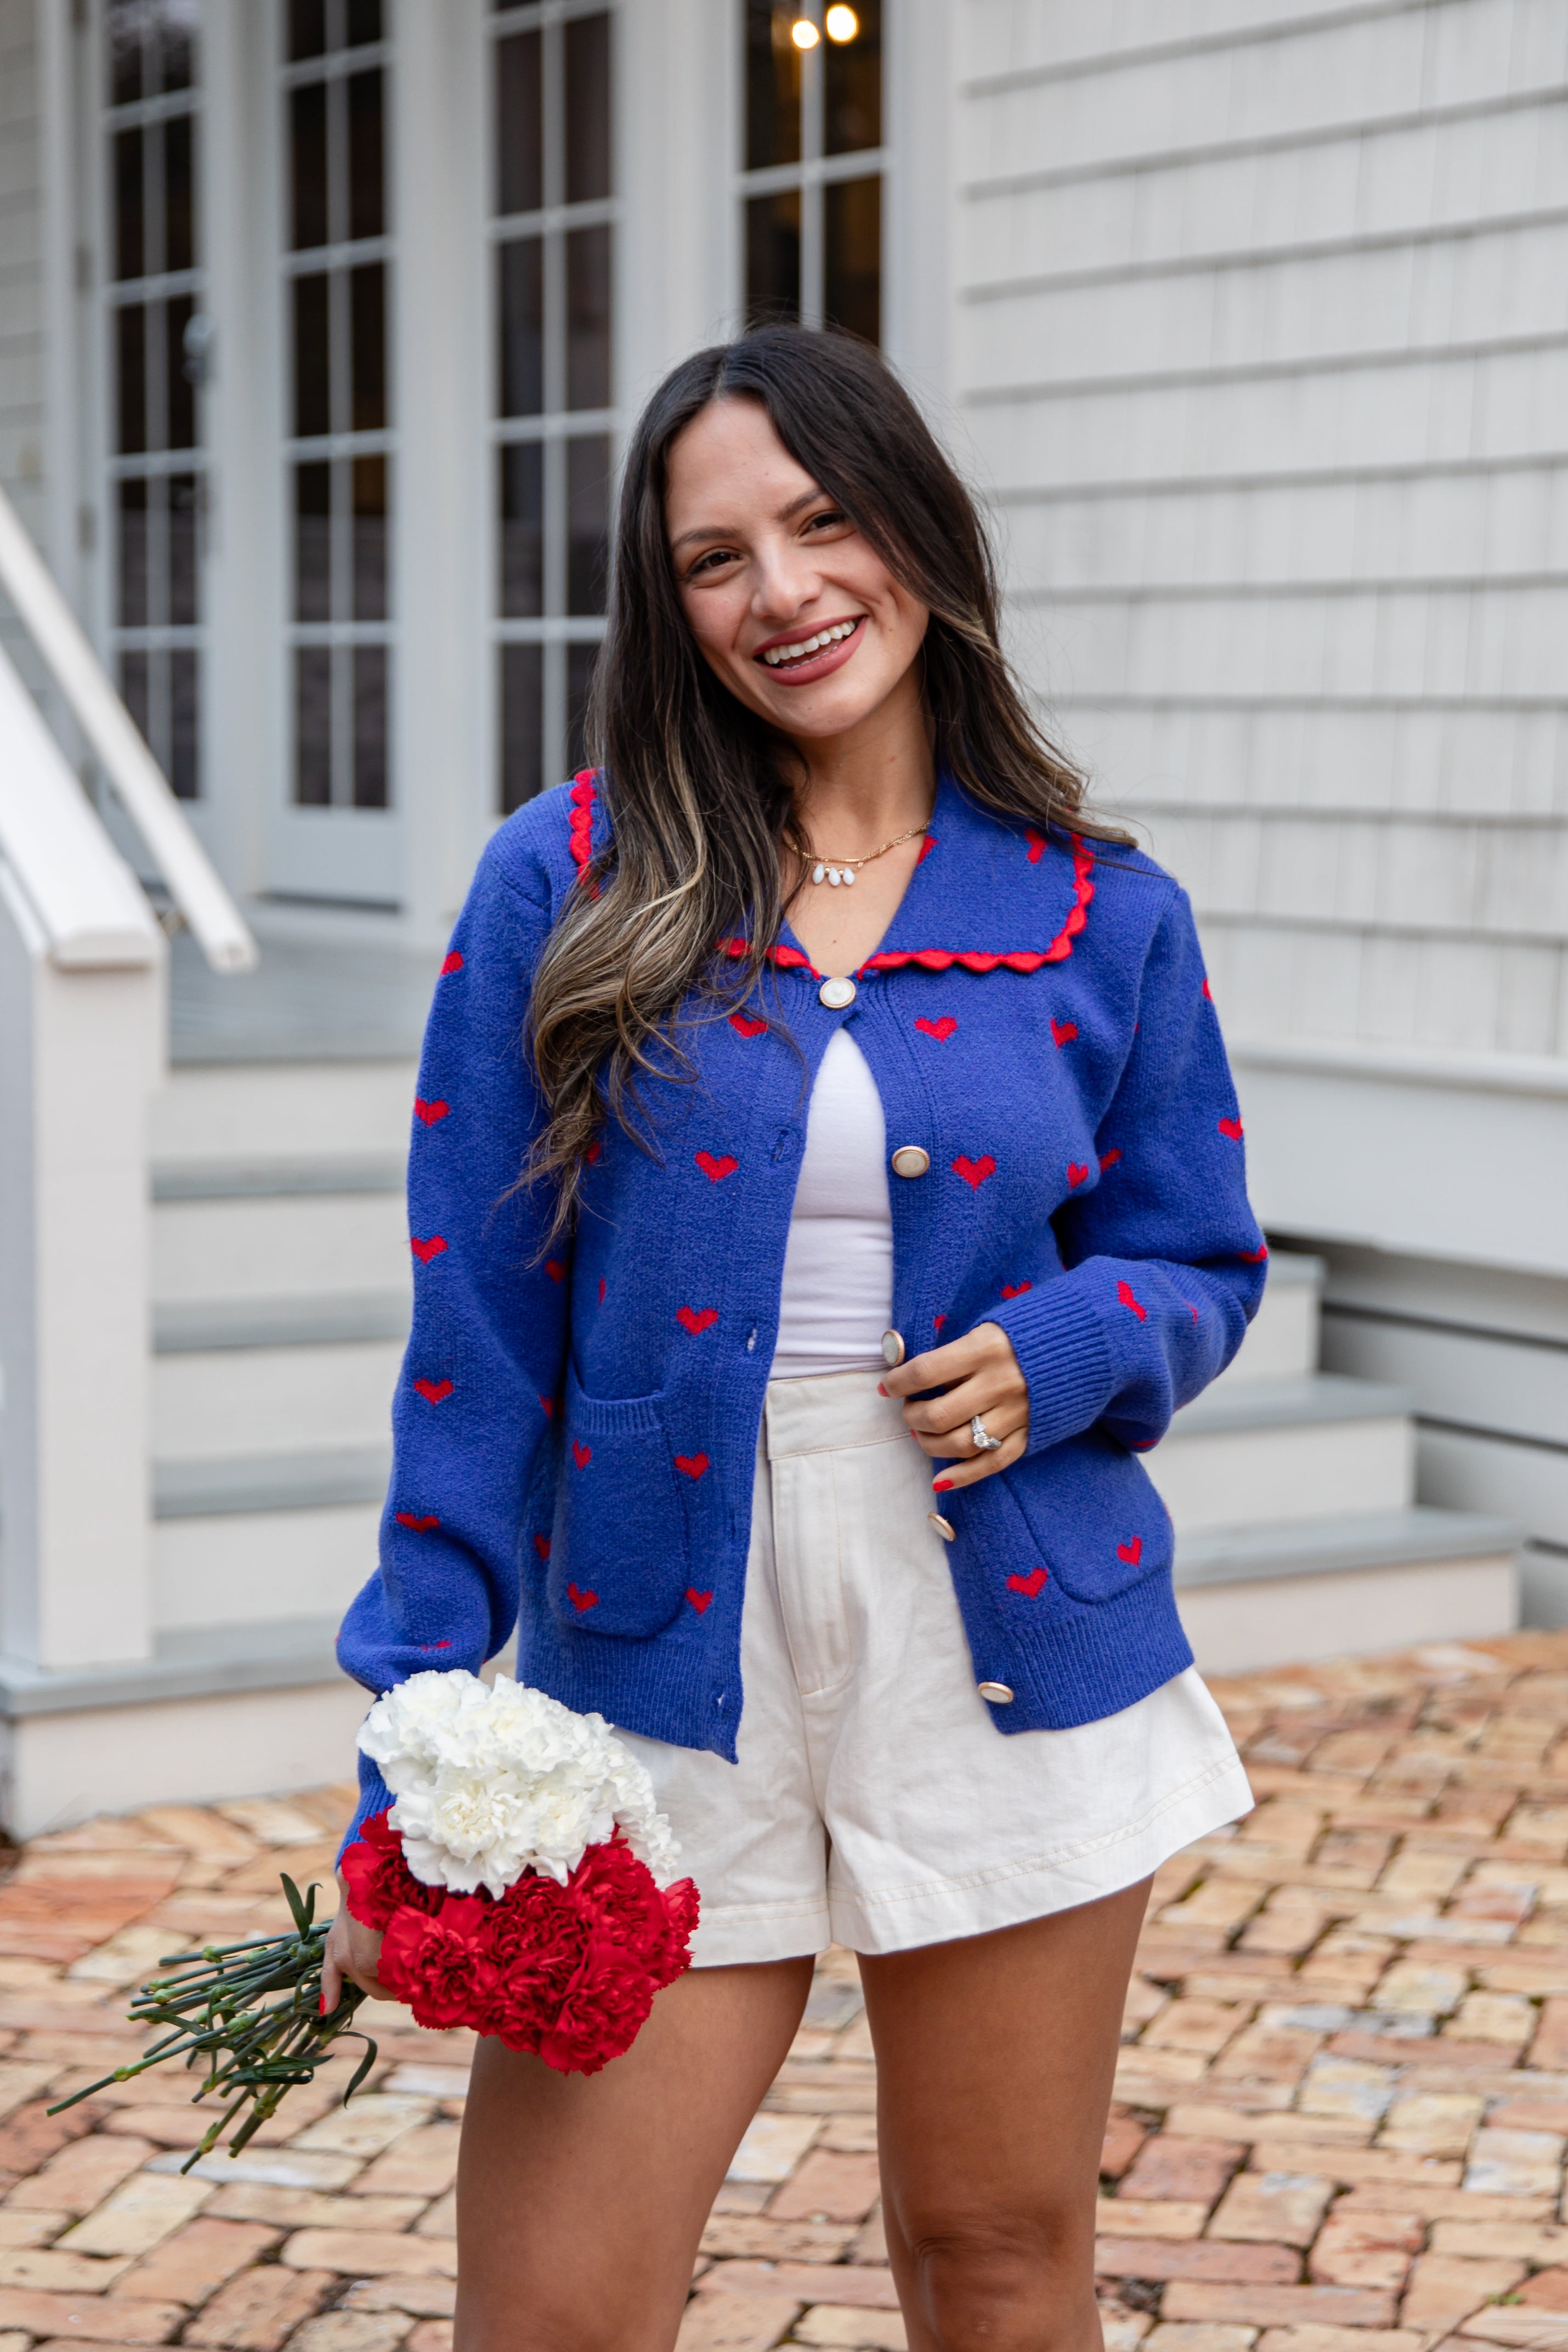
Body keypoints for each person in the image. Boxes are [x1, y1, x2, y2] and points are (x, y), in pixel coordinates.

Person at [322, 324, 1263, 2352]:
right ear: (668, 608)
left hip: (1004, 1615)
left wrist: (1084, 1338)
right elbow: (478, 1330)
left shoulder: (1101, 908)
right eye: (713, 556)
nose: (783, 592)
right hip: (654, 1648)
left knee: (1000, 2260)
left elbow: (1199, 1257)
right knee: (557, 2311)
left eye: (825, 523)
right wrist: (412, 1723)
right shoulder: (566, 876)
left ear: (918, 533)